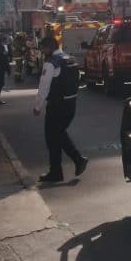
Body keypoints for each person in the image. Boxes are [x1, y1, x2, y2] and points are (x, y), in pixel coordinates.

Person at [34, 36, 88, 184]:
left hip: (57, 106)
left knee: (52, 138)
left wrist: (38, 106)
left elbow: (44, 86)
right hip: (71, 103)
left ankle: (69, 165)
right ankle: (61, 169)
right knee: (57, 136)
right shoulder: (69, 59)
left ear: (49, 47)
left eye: (43, 48)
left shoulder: (52, 62)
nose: (42, 51)